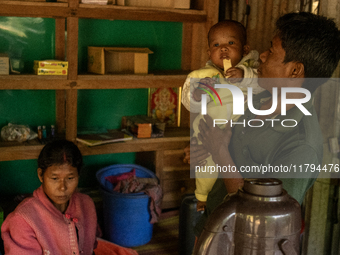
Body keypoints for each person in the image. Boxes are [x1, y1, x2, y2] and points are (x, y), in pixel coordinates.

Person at [184, 11, 340, 241]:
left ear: (295, 70)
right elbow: (223, 145)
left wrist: (219, 152)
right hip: (212, 228)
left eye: (271, 51)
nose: (262, 56)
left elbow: (264, 222)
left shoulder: (301, 147)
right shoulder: (252, 99)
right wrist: (204, 149)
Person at [181, 19, 263, 212]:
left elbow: (262, 85)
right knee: (205, 166)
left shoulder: (252, 70)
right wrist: (198, 93)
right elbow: (187, 101)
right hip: (209, 132)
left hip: (237, 133)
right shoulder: (202, 75)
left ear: (245, 49)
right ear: (209, 52)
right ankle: (202, 198)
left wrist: (243, 76)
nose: (223, 50)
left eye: (231, 44)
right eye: (216, 45)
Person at [1, 140, 98, 255]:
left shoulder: (86, 204)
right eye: (54, 179)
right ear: (41, 175)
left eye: (70, 178)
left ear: (78, 175)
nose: (62, 187)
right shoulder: (23, 218)